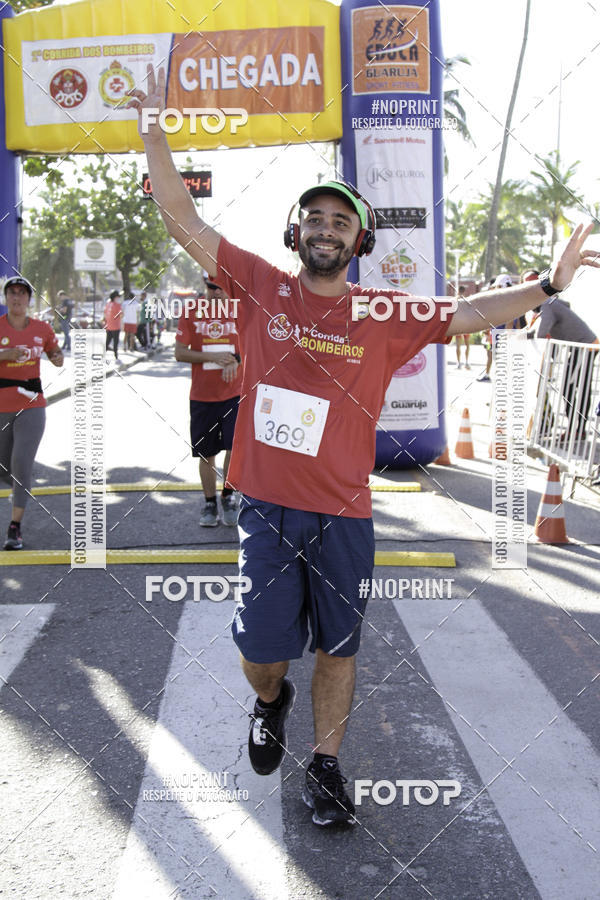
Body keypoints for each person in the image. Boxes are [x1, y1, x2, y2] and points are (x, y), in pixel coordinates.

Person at [129, 64, 599, 827]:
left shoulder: (382, 308)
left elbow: (470, 311)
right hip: (268, 509)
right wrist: (153, 132)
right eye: (314, 219)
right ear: (296, 232)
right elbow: (181, 217)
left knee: (340, 649)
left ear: (360, 241)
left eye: (340, 222)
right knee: (265, 653)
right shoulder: (254, 284)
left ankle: (326, 766)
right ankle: (270, 702)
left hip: (345, 513)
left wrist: (548, 285)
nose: (325, 228)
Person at [0, 276, 63, 550]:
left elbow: (54, 351)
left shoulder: (43, 327)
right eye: (12, 293)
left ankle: (15, 527)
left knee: (21, 463)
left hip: (32, 404)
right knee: (5, 467)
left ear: (29, 299)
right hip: (1, 405)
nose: (17, 298)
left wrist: (57, 357)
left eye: (22, 294)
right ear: (6, 298)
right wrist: (4, 355)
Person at [175, 281, 242, 527]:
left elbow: (255, 347)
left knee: (234, 450)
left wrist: (236, 361)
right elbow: (180, 352)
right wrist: (212, 357)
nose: (215, 292)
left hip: (234, 394)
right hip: (202, 397)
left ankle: (228, 496)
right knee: (206, 453)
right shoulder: (192, 311)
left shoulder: (241, 311)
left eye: (220, 287)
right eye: (210, 286)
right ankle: (209, 502)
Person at [531, 295, 598, 441]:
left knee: (573, 388)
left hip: (585, 347)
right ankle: (576, 429)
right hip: (580, 348)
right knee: (571, 388)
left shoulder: (547, 304)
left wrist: (530, 336)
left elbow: (542, 333)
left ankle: (577, 430)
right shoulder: (551, 304)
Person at [453, 286, 471, 370]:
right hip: (466, 325)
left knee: (458, 345)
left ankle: (459, 362)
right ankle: (466, 362)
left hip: (459, 325)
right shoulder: (466, 300)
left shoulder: (455, 300)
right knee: (467, 345)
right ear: (464, 291)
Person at [103, 289, 122, 361]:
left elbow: (105, 314)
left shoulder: (108, 304)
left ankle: (103, 354)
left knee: (107, 341)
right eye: (118, 297)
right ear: (115, 297)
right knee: (115, 341)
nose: (118, 298)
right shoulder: (117, 305)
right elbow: (121, 315)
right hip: (116, 326)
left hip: (109, 325)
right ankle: (116, 355)